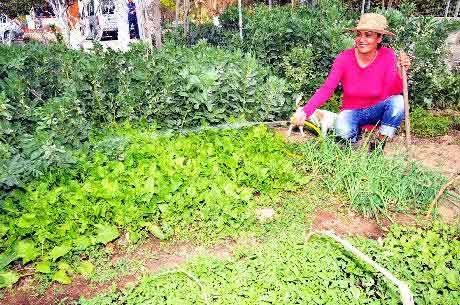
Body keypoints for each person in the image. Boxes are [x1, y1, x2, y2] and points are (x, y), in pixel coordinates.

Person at [293, 13, 411, 147]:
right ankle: (355, 137)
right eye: (359, 34)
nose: (361, 39)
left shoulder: (387, 55)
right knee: (344, 136)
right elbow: (327, 89)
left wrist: (401, 72)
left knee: (398, 101)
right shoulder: (344, 58)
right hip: (351, 113)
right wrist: (305, 111)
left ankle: (379, 143)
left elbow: (393, 90)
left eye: (368, 35)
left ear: (379, 38)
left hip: (376, 111)